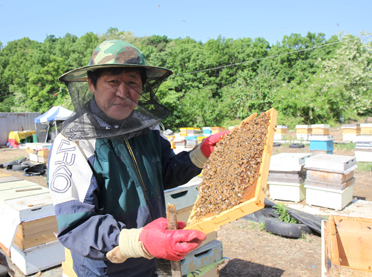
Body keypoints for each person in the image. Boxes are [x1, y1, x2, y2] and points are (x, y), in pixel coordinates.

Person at [48, 40, 228, 276]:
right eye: (112, 82)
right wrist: (139, 241)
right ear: (91, 84)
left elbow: (163, 173)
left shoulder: (147, 128)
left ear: (143, 87)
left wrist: (201, 154)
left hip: (149, 258)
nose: (123, 92)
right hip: (105, 267)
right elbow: (76, 226)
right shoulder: (74, 142)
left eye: (132, 82)